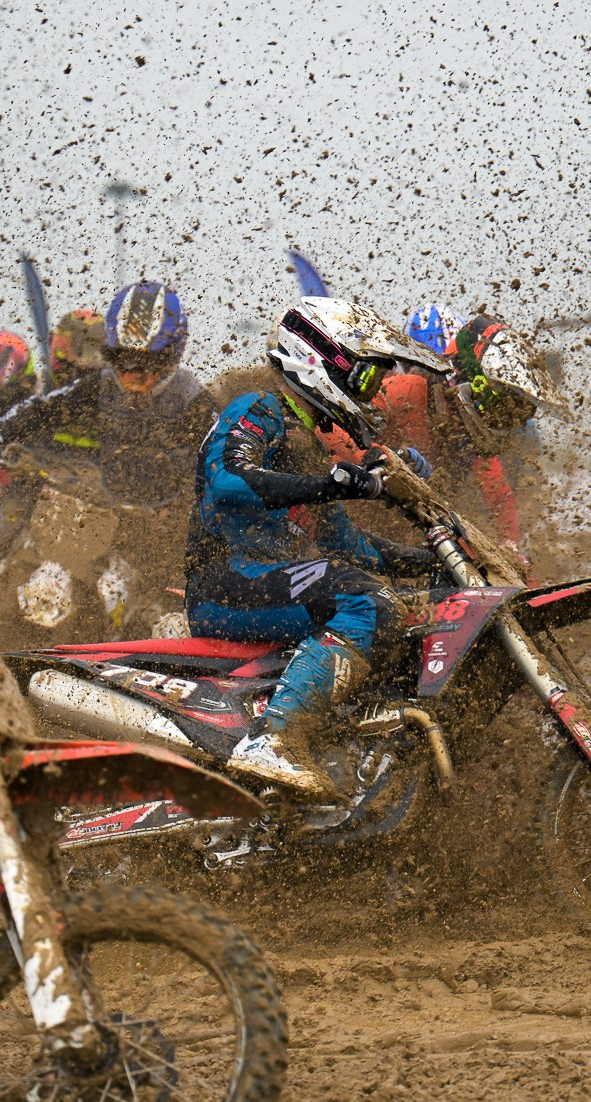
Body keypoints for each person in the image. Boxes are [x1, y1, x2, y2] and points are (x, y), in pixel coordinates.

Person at [185, 296, 448, 797]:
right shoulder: (259, 409)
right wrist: (335, 482)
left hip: (270, 584)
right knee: (363, 600)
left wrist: (435, 558)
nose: (373, 395)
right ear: (321, 360)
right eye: (367, 380)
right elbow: (228, 481)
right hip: (224, 583)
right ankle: (272, 741)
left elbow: (355, 550)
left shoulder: (310, 447)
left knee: (386, 595)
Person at [0, 281, 219, 635]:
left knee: (170, 616)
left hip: (165, 521)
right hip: (105, 510)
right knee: (20, 543)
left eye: (148, 364)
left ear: (172, 357)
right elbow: (45, 406)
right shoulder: (101, 385)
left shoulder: (193, 399)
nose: (135, 376)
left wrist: (207, 488)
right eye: (124, 361)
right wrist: (0, 433)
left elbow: (223, 450)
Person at [322, 308, 563, 568]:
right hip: (343, 533)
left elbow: (499, 497)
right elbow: (331, 431)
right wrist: (377, 457)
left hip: (412, 547)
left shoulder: (468, 436)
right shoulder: (405, 392)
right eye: (495, 410)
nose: (497, 423)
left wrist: (511, 551)